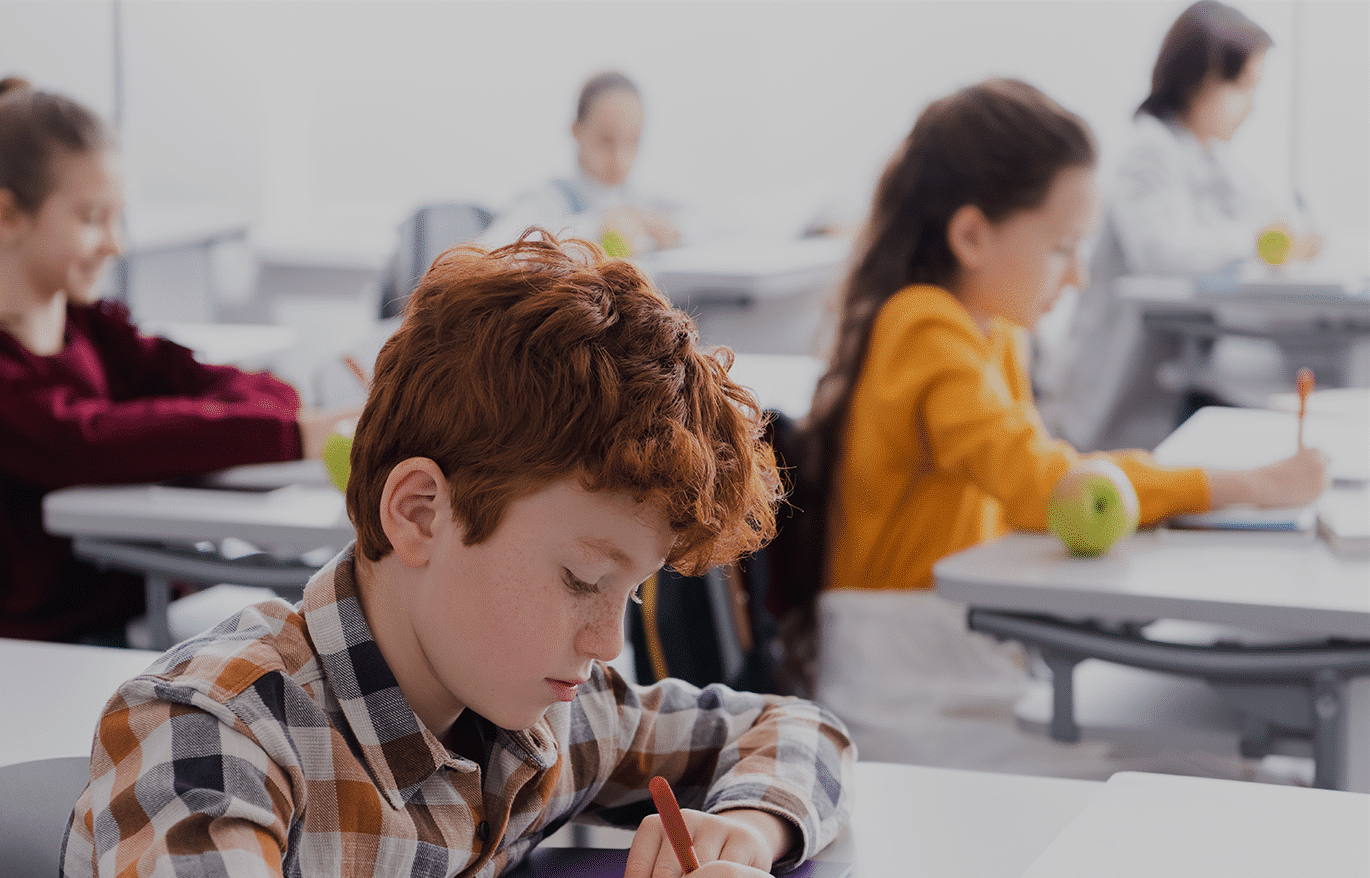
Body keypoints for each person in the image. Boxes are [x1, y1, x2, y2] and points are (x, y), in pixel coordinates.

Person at [11, 232, 856, 878]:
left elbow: (798, 729)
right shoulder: (208, 724)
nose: (609, 639)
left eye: (629, 593)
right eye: (582, 580)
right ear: (420, 513)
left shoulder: (536, 711)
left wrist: (746, 828)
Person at [800, 78, 1326, 772]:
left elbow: (1041, 481)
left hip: (958, 664)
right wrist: (1246, 485)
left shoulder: (993, 335)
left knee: (1223, 759)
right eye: (1060, 248)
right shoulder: (925, 327)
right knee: (1225, 770)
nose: (1076, 276)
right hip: (909, 699)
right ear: (971, 236)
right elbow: (1048, 487)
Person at [0, 79, 352, 642]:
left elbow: (218, 384)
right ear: (5, 217)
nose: (115, 244)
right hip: (37, 645)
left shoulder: (89, 329)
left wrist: (276, 415)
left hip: (139, 605)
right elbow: (88, 440)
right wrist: (292, 434)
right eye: (93, 217)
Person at [1047, 1, 1319, 450]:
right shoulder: (1149, 153)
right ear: (1202, 81)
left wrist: (1292, 234)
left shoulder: (1217, 160)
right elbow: (1165, 254)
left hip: (1174, 381)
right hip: (1115, 387)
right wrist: (1259, 242)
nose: (1252, 106)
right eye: (1244, 86)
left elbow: (1276, 218)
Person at [479, 71, 680, 256]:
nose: (620, 157)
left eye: (632, 140)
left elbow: (696, 223)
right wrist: (599, 228)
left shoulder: (644, 204)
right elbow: (490, 251)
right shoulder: (546, 201)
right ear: (576, 130)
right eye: (606, 140)